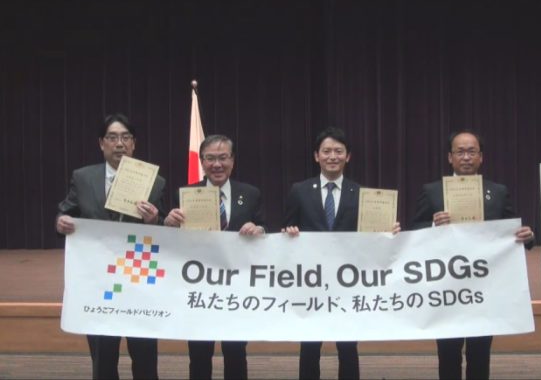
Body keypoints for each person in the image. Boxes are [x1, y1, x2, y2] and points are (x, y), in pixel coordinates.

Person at [410, 130, 534, 380]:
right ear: (450, 157)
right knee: (448, 352)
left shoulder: (498, 192)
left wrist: (528, 236)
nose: (466, 157)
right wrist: (433, 225)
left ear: (481, 157)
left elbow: (511, 230)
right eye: (460, 152)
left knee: (480, 352)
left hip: (484, 288)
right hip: (446, 286)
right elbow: (413, 231)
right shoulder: (432, 191)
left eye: (471, 152)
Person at [282, 126, 400, 380]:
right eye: (326, 151)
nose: (332, 156)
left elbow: (371, 239)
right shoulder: (299, 191)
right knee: (310, 346)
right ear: (316, 156)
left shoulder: (362, 194)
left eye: (338, 151)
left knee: (347, 346)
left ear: (348, 156)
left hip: (348, 282)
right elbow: (287, 230)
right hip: (311, 281)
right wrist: (288, 232)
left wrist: (387, 232)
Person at [56, 113, 166, 380]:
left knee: (144, 355)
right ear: (101, 143)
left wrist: (154, 220)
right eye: (113, 137)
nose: (119, 144)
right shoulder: (83, 177)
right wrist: (61, 222)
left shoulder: (154, 180)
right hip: (99, 281)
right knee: (103, 357)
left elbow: (165, 230)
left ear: (134, 144)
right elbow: (65, 212)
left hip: (138, 278)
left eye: (126, 137)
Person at [164, 134, 266, 380]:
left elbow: (265, 229)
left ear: (232, 160)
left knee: (236, 351)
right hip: (199, 284)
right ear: (201, 161)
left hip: (236, 285)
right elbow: (173, 242)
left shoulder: (250, 193)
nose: (217, 164)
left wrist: (258, 229)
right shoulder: (186, 194)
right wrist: (168, 223)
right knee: (199, 353)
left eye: (223, 158)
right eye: (210, 158)